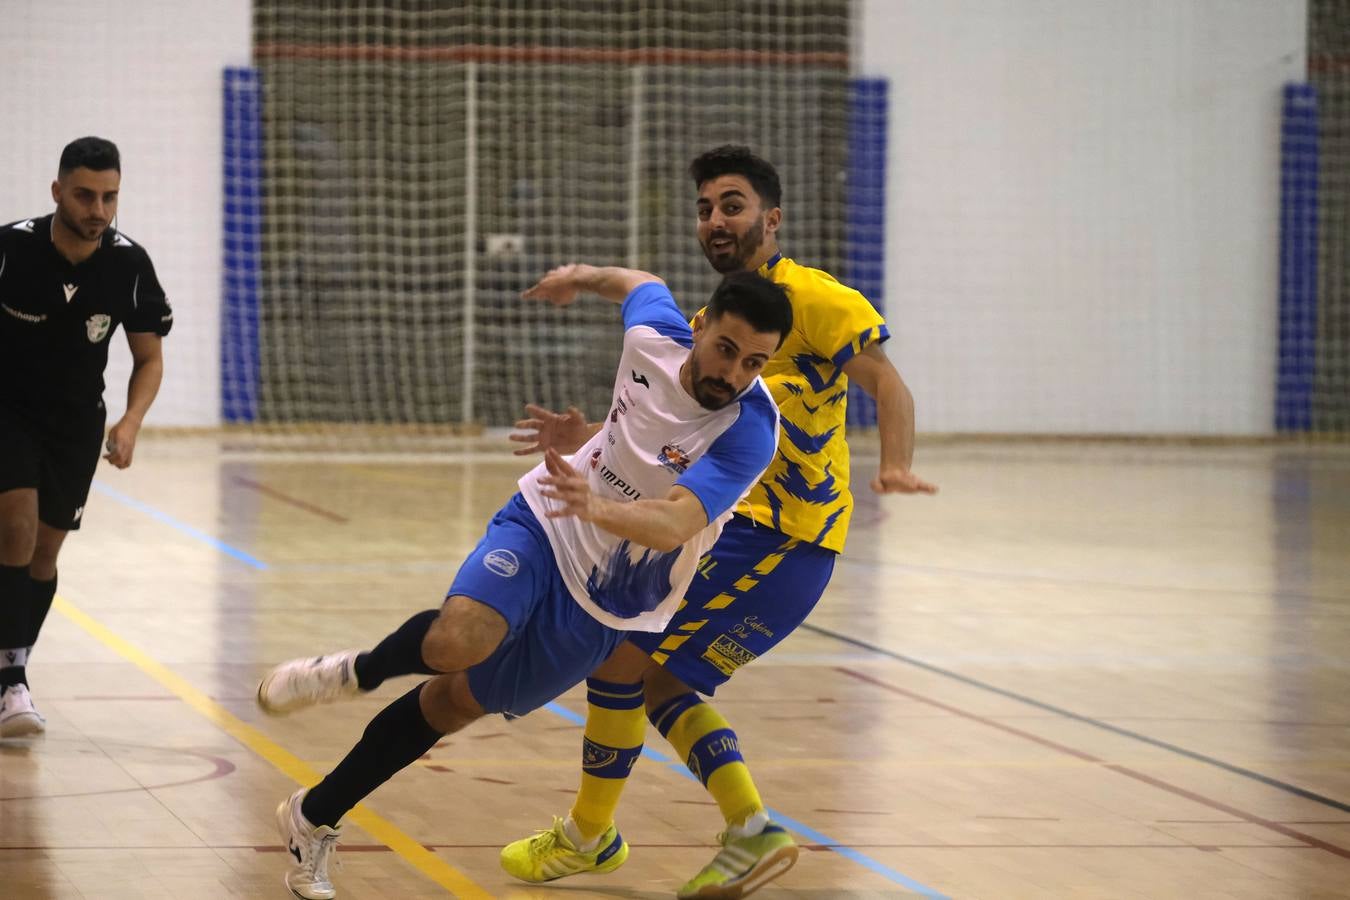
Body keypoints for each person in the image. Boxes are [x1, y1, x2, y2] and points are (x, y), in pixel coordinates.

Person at [255, 263, 793, 900]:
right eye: (726, 350)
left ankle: (312, 816)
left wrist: (598, 505)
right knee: (460, 639)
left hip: (612, 601)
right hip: (546, 522)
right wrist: (579, 277)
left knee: (451, 703)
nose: (731, 374)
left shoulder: (750, 429)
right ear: (699, 328)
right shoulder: (654, 336)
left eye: (753, 363)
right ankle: (355, 670)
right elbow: (635, 279)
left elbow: (676, 521)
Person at [499, 145, 936, 899]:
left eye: (730, 205)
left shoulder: (816, 298)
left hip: (783, 539)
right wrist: (590, 440)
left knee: (634, 667)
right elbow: (669, 437)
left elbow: (887, 385)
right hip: (726, 532)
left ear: (772, 217)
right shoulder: (714, 324)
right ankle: (665, 832)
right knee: (639, 670)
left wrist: (894, 464)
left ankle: (627, 835)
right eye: (704, 209)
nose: (715, 220)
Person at [0, 137, 172, 737]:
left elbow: (148, 358)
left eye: (109, 197)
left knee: (43, 554)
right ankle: (10, 685)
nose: (98, 209)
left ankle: (12, 666)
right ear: (57, 193)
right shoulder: (11, 249)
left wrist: (129, 421)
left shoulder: (128, 264)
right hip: (8, 411)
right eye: (84, 195)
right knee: (14, 526)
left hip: (76, 424)